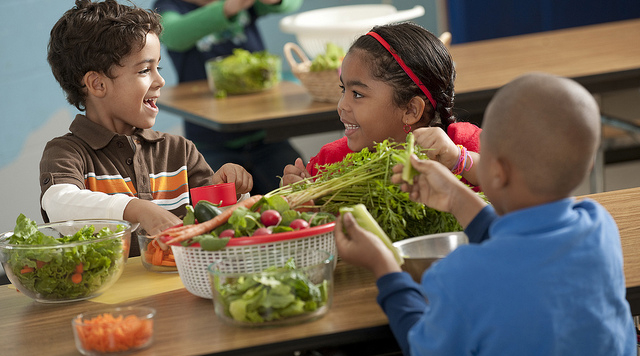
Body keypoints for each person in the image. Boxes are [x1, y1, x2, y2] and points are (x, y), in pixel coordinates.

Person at [335, 72, 637, 355]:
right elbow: (526, 247)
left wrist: (385, 267)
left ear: (496, 171)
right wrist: (456, 197)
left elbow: (422, 346)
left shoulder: (462, 276)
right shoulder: (599, 225)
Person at [41, 0, 253, 256]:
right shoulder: (66, 153)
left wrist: (230, 190)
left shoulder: (179, 151)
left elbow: (214, 222)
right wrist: (137, 208)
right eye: (144, 70)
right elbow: (59, 204)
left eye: (158, 67)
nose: (160, 80)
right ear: (97, 84)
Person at [282, 22, 481, 189]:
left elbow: (507, 180)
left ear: (411, 110)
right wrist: (301, 202)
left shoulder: (463, 145)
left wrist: (460, 161)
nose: (342, 105)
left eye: (357, 94)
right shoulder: (329, 163)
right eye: (344, 90)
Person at [152, 0, 304, 195]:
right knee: (215, 204)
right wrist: (228, 7)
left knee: (300, 189)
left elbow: (288, 5)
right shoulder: (169, 7)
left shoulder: (248, 5)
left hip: (266, 136)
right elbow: (172, 35)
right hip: (210, 141)